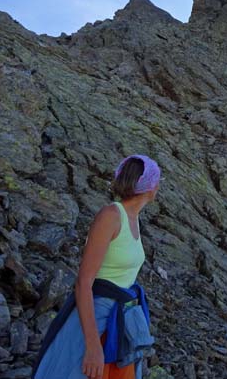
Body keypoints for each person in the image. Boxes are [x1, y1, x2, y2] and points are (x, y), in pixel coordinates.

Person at [32, 154, 160, 379]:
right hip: (98, 320)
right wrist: (92, 347)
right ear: (151, 187)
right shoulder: (111, 216)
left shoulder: (133, 218)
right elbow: (83, 282)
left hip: (119, 320)